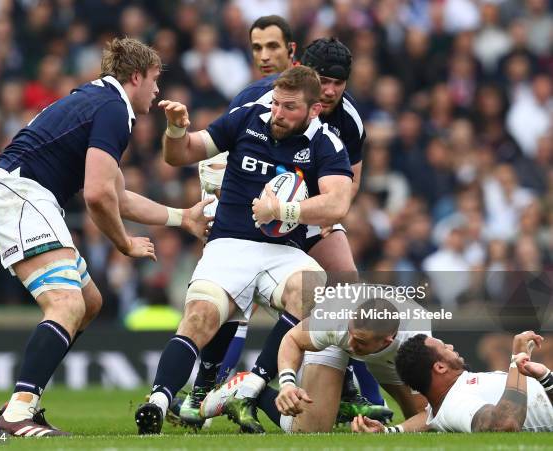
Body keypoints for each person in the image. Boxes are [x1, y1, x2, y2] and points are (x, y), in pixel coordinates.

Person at [0, 37, 211, 437]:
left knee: (88, 302)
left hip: (16, 195)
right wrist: (125, 243)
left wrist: (181, 217)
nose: (157, 90)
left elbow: (116, 194)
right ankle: (18, 412)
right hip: (19, 196)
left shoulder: (98, 100)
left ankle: (23, 401)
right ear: (135, 76)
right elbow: (98, 196)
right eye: (154, 80)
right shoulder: (114, 110)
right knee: (66, 302)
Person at [134, 65, 354, 435]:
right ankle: (158, 401)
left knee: (316, 291)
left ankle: (251, 385)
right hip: (229, 244)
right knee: (200, 316)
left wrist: (284, 211)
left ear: (314, 110)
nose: (277, 114)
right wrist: (175, 129)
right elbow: (180, 154)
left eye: (289, 108)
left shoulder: (326, 143)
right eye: (276, 104)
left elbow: (337, 204)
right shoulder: (248, 118)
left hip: (283, 251)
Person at [191, 37, 387, 432]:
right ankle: (205, 387)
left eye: (339, 82)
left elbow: (350, 184)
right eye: (323, 80)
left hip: (309, 211)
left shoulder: (350, 121)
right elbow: (220, 152)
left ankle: (360, 394)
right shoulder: (261, 99)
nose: (330, 90)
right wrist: (212, 210)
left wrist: (322, 218)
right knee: (233, 297)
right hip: (251, 211)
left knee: (346, 283)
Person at [202, 291, 428, 432]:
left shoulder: (416, 339)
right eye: (351, 333)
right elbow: (291, 339)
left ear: (389, 339)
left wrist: (391, 431)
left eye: (358, 340)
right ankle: (247, 387)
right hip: (332, 339)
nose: (350, 343)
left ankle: (338, 401)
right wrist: (288, 384)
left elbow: (430, 416)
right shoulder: (335, 322)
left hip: (388, 354)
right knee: (309, 429)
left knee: (421, 417)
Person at [352, 331, 553, 433]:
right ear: (440, 367)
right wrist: (518, 358)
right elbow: (503, 425)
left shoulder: (442, 404)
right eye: (443, 347)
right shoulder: (454, 403)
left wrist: (389, 431)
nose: (450, 345)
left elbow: (429, 418)